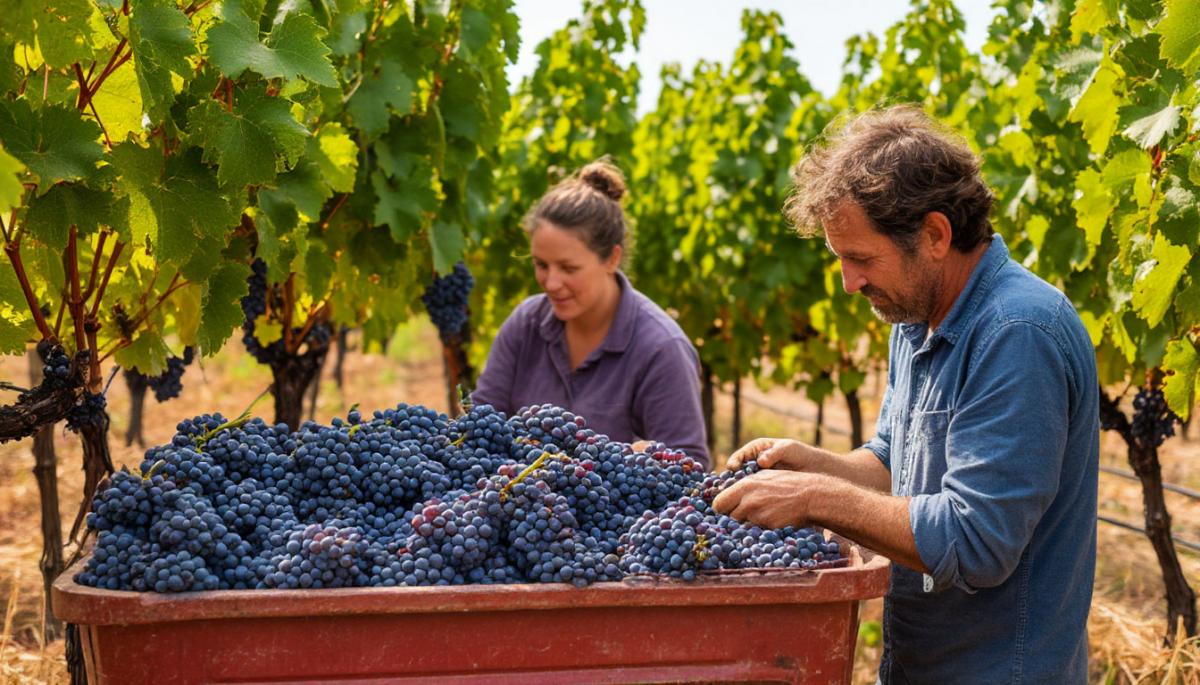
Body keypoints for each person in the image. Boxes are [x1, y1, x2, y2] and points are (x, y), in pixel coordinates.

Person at [713, 106, 1099, 684]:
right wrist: (810, 464)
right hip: (921, 663)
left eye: (861, 258)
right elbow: (897, 464)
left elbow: (976, 541)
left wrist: (818, 497)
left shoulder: (1018, 333)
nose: (849, 282)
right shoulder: (916, 319)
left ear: (936, 235)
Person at [472, 160, 710, 467]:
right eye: (541, 265)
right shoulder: (525, 324)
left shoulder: (662, 349)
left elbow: (687, 469)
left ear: (612, 258)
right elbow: (479, 429)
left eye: (568, 268)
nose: (551, 283)